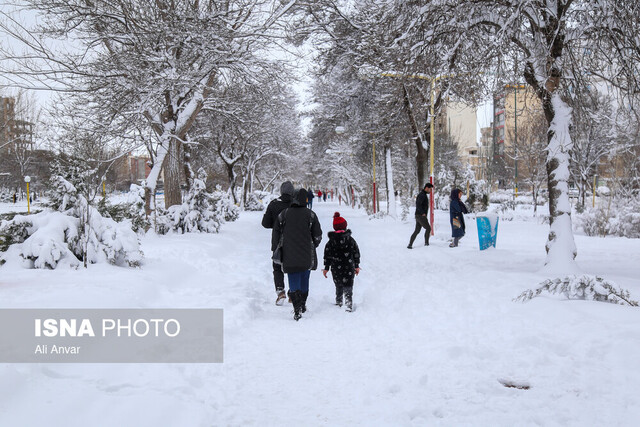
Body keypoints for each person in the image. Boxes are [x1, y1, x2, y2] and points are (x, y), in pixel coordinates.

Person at [272, 188, 323, 321]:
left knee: (293, 279)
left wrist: (278, 247)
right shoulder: (311, 215)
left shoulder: (284, 214)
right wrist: (313, 244)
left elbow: (276, 231)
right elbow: (318, 235)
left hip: (289, 254)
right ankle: (303, 305)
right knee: (305, 279)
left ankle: (296, 309)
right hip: (307, 254)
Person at [262, 181, 294, 305]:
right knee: (292, 267)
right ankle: (293, 292)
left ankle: (280, 291)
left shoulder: (274, 204)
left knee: (277, 267)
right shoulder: (295, 204)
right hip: (293, 241)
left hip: (277, 241)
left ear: (281, 191)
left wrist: (275, 224)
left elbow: (265, 223)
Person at [322, 212, 361, 312]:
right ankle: (348, 303)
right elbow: (356, 253)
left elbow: (327, 255)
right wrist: (356, 265)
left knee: (338, 284)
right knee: (348, 284)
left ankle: (339, 301)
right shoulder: (350, 240)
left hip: (336, 267)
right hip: (349, 266)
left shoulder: (330, 242)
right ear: (345, 226)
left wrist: (326, 268)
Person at [407, 183, 434, 249]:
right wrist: (423, 213)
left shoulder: (423, 194)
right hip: (420, 215)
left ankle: (410, 245)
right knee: (428, 228)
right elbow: (418, 204)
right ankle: (426, 244)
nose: (430, 191)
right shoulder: (422, 195)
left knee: (417, 230)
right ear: (426, 188)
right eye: (430, 189)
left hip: (418, 215)